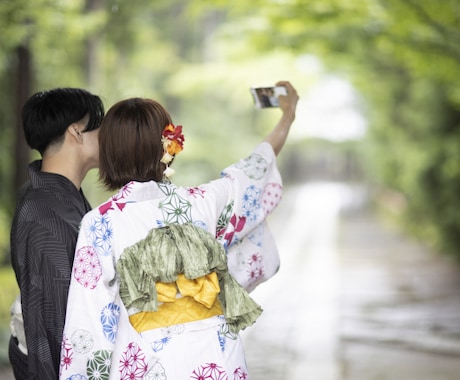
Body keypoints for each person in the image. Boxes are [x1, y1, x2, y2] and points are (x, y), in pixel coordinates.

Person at [59, 81, 298, 379]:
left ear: (109, 152)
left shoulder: (101, 223)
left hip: (145, 363)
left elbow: (90, 320)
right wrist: (287, 116)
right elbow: (253, 170)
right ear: (169, 147)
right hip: (216, 357)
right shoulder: (204, 202)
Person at [9, 88, 105, 379]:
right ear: (76, 131)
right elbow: (49, 327)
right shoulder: (43, 216)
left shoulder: (58, 194)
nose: (106, 136)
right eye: (98, 126)